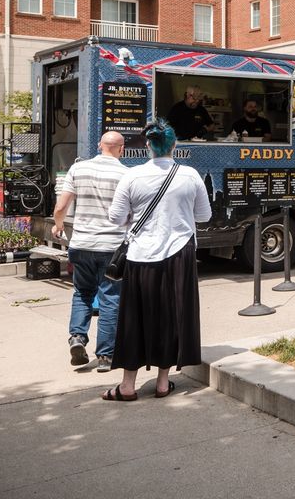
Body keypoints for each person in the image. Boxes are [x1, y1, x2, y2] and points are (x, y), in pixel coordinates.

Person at [103, 119, 211, 401]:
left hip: (141, 256)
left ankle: (127, 386)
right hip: (180, 254)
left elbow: (116, 218)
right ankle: (163, 383)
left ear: (147, 145)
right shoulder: (190, 175)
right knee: (171, 317)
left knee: (134, 320)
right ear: (174, 145)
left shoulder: (132, 176)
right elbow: (204, 216)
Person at [52, 131, 128, 372]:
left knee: (82, 293)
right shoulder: (125, 174)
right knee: (110, 299)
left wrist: (59, 224)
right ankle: (105, 356)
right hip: (111, 247)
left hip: (81, 244)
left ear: (99, 146)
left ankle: (77, 337)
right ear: (121, 149)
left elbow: (62, 205)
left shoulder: (78, 169)